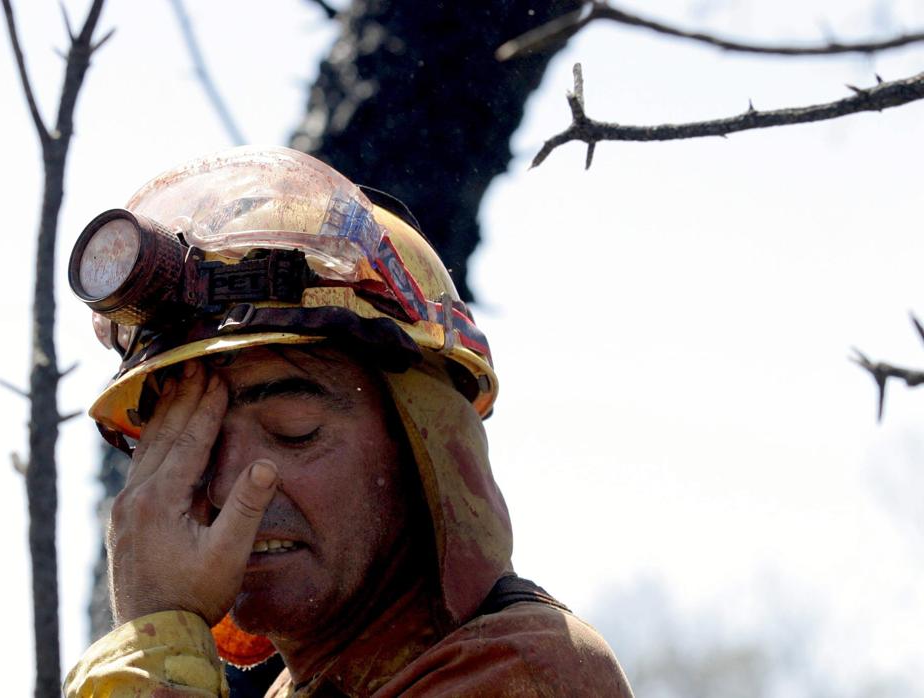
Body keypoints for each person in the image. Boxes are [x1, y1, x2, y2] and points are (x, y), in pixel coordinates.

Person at [63, 146, 633, 697]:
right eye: (198, 445)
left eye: (294, 427)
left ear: (425, 446)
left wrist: (155, 645)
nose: (225, 484)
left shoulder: (524, 671)